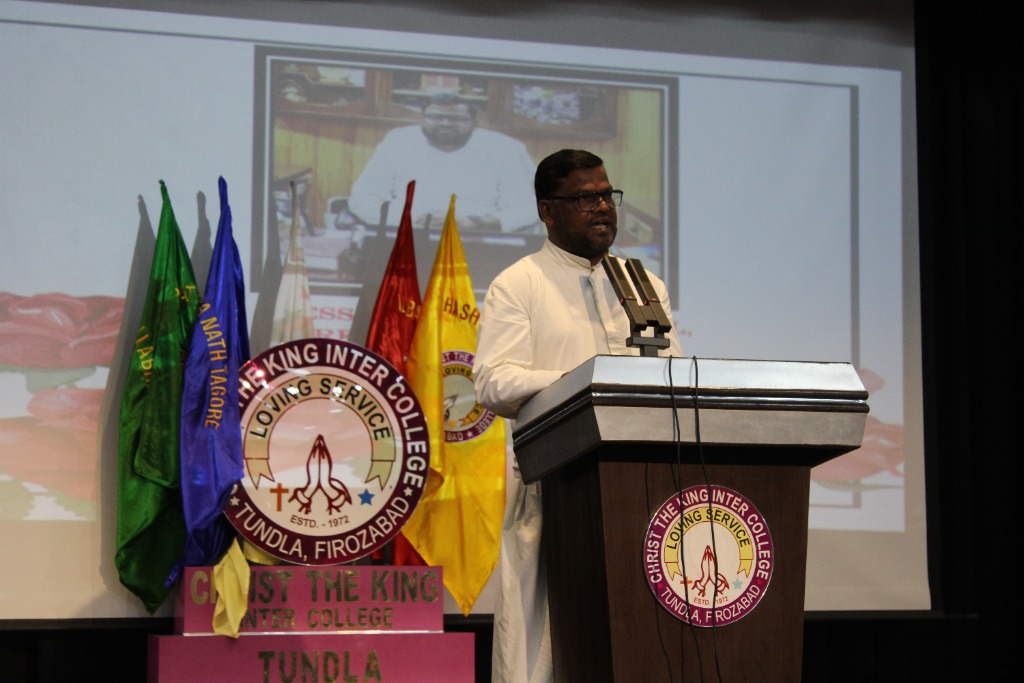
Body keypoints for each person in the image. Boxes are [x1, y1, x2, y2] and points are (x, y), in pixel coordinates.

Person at [473, 149, 684, 683]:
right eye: (585, 199)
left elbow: (674, 378)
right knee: (551, 653)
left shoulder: (643, 284)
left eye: (607, 196)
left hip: (646, 490)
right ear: (547, 210)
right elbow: (493, 382)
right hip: (558, 489)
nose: (603, 208)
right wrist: (585, 384)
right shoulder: (520, 283)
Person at [347, 92, 541, 232]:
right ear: (422, 119)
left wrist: (475, 222)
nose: (445, 123)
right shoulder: (398, 141)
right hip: (408, 234)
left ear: (474, 123)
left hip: (476, 237)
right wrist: (410, 220)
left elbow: (526, 208)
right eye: (435, 117)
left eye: (456, 118)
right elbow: (362, 199)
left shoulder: (502, 148)